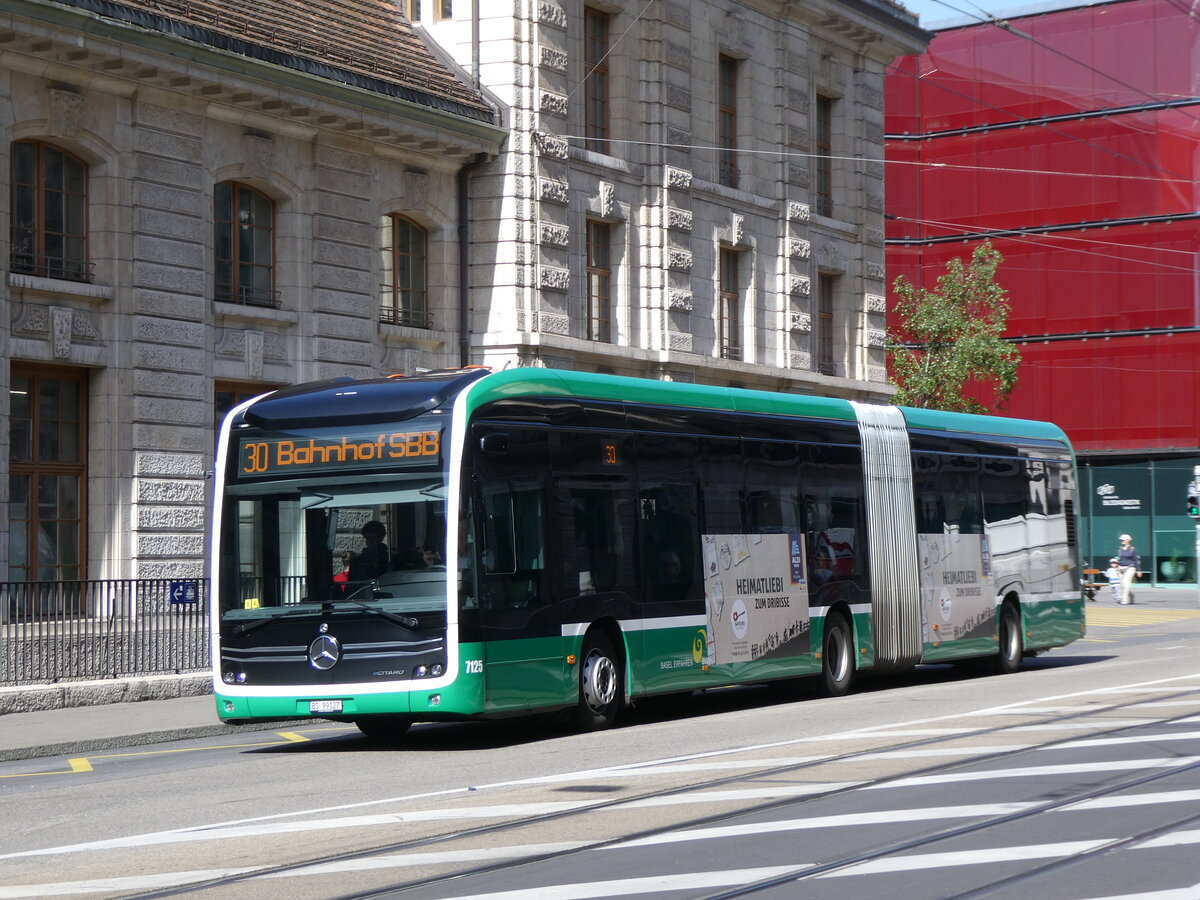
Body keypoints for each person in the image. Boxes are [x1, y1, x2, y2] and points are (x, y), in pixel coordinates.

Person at [1116, 533, 1141, 605]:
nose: (1121, 541)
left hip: (1130, 568)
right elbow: (1119, 558)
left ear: (1128, 540)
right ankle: (1131, 596)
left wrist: (1138, 570)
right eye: (1121, 540)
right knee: (1122, 585)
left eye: (1123, 540)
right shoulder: (1120, 549)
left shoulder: (1132, 549)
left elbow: (1136, 560)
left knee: (1126, 583)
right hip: (1121, 568)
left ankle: (1124, 600)